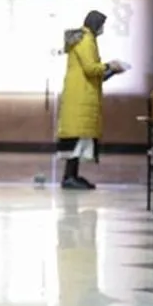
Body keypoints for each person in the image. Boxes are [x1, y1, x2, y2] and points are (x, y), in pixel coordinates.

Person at [56, 10, 127, 190]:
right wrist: (109, 65)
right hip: (81, 96)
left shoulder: (85, 39)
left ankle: (72, 176)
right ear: (96, 24)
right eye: (102, 25)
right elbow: (90, 68)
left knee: (79, 138)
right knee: (77, 138)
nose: (102, 29)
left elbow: (96, 74)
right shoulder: (86, 40)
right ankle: (69, 177)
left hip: (82, 94)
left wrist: (111, 71)